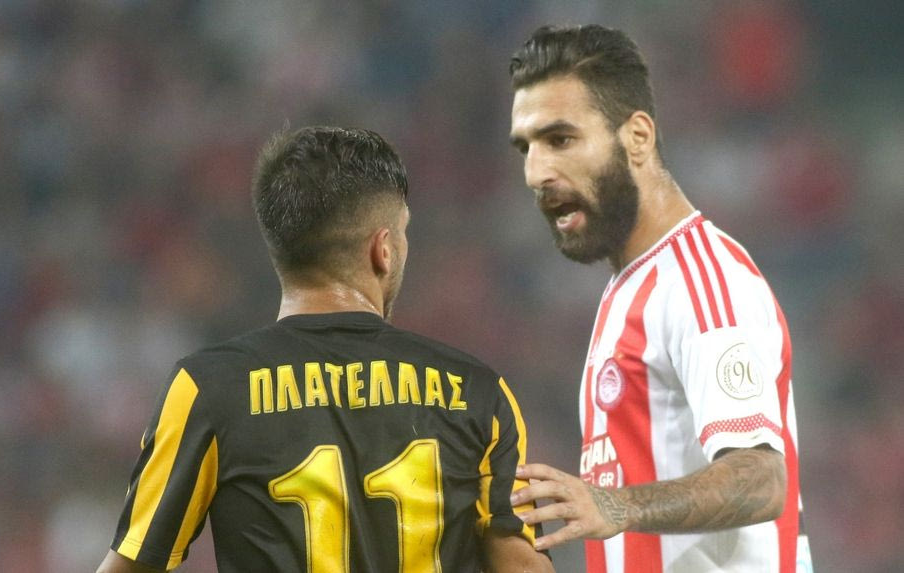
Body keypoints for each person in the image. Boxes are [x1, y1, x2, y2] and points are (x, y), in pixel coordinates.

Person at [96, 127, 553, 572]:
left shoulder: (208, 390)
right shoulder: (478, 393)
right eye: (403, 231)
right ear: (384, 249)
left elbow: (132, 564)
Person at [505, 25, 812, 572]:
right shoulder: (630, 285)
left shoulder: (701, 280)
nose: (536, 173)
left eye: (560, 140)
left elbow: (761, 478)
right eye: (525, 147)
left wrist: (614, 505)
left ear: (638, 137)